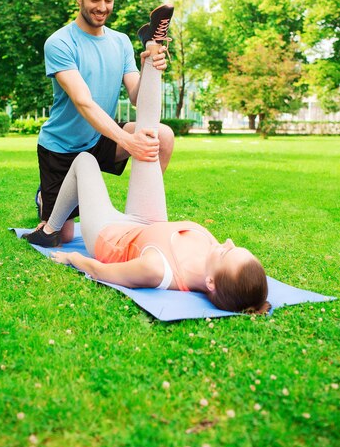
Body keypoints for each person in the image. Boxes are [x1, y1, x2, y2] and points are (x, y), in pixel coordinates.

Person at [24, 26, 270, 314]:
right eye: (235, 246)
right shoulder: (215, 258)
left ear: (211, 282)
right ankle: (155, 43)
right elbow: (90, 101)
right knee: (152, 134)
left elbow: (102, 272)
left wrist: (72, 260)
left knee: (84, 161)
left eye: (229, 251)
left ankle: (49, 228)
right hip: (146, 222)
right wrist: (151, 61)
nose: (228, 241)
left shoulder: (157, 269)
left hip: (110, 234)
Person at [36, 0, 175, 243]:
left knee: (163, 135)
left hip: (101, 138)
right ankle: (43, 197)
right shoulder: (60, 43)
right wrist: (128, 139)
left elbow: (137, 97)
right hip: (61, 149)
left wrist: (152, 66)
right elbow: (83, 102)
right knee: (62, 235)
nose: (102, 7)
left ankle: (138, 213)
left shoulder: (121, 42)